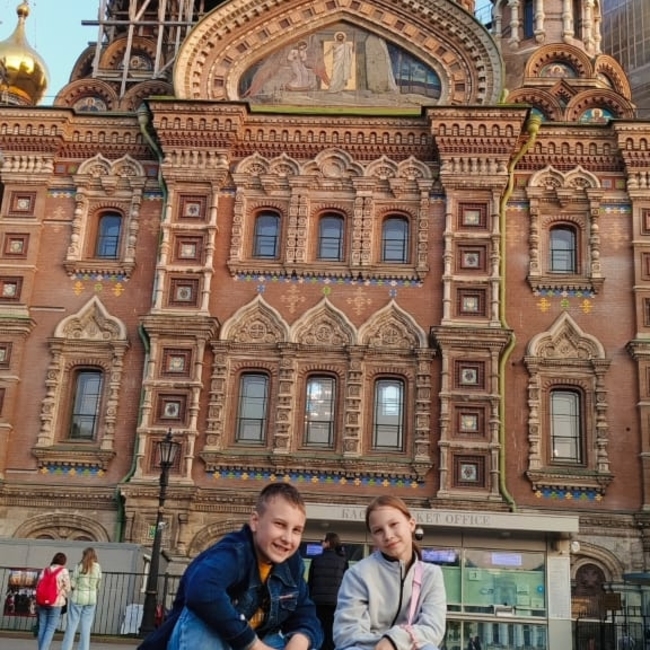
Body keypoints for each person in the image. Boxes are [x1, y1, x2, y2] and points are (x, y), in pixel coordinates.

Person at [138, 482, 323, 650]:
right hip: (203, 640)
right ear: (255, 522)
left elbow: (306, 614)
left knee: (307, 645)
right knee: (204, 618)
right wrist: (253, 645)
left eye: (296, 530)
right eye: (280, 524)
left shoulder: (292, 564)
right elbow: (202, 591)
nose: (288, 538)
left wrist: (300, 640)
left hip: (252, 642)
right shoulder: (233, 552)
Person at [334, 495, 447, 650]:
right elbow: (346, 635)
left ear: (411, 524)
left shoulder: (432, 575)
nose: (388, 536)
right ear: (372, 537)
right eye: (378, 530)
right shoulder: (357, 575)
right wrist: (386, 643)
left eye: (394, 524)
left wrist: (395, 641)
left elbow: (433, 629)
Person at [307, 532, 349, 650]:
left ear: (328, 542)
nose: (322, 543)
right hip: (335, 602)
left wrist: (309, 598)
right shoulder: (343, 560)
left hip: (318, 602)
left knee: (318, 628)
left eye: (323, 541)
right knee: (331, 631)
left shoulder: (316, 559)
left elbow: (310, 581)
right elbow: (346, 583)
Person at [61, 547, 102, 650]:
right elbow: (98, 585)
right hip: (91, 599)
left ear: (84, 555)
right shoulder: (97, 567)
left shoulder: (79, 566)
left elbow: (73, 583)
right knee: (86, 627)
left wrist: (75, 587)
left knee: (71, 625)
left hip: (78, 598)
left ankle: (66, 648)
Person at [35, 552, 71, 650]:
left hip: (42, 602)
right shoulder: (63, 571)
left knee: (42, 626)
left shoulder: (45, 570)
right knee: (50, 628)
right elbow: (68, 588)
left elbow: (38, 585)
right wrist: (61, 592)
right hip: (56, 603)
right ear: (64, 561)